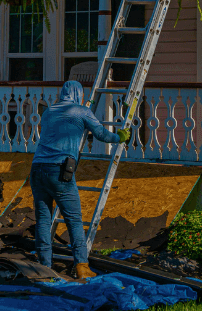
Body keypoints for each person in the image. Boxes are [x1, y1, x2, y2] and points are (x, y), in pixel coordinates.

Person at [30, 79, 130, 279]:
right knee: (74, 220)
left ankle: (44, 267)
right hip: (59, 170)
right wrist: (120, 137)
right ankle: (82, 267)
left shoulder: (49, 111)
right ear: (78, 95)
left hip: (37, 168)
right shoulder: (81, 111)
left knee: (43, 219)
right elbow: (101, 134)